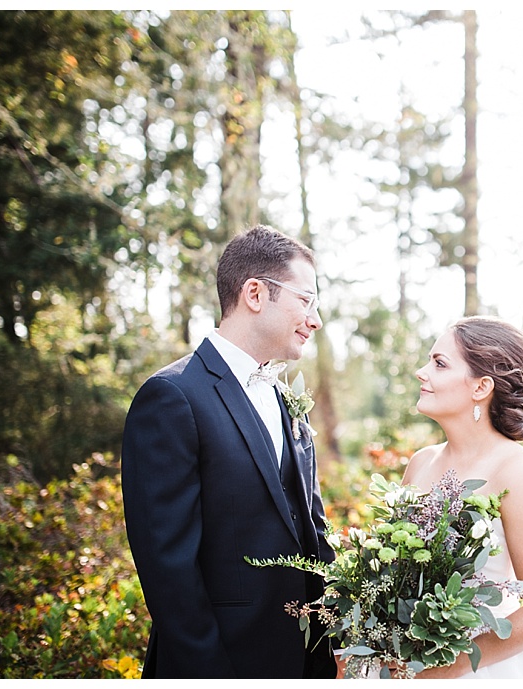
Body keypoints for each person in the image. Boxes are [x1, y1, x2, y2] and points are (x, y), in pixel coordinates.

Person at [121, 225, 337, 679]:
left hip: (301, 663)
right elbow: (167, 568)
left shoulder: (287, 402)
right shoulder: (172, 396)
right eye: (306, 300)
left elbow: (311, 532)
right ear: (255, 293)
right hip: (217, 663)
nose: (315, 320)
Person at [402, 316, 523, 679]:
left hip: (485, 665)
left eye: (439, 363)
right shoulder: (420, 463)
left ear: (481, 386)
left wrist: (451, 666)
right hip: (407, 657)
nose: (421, 372)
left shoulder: (519, 472)